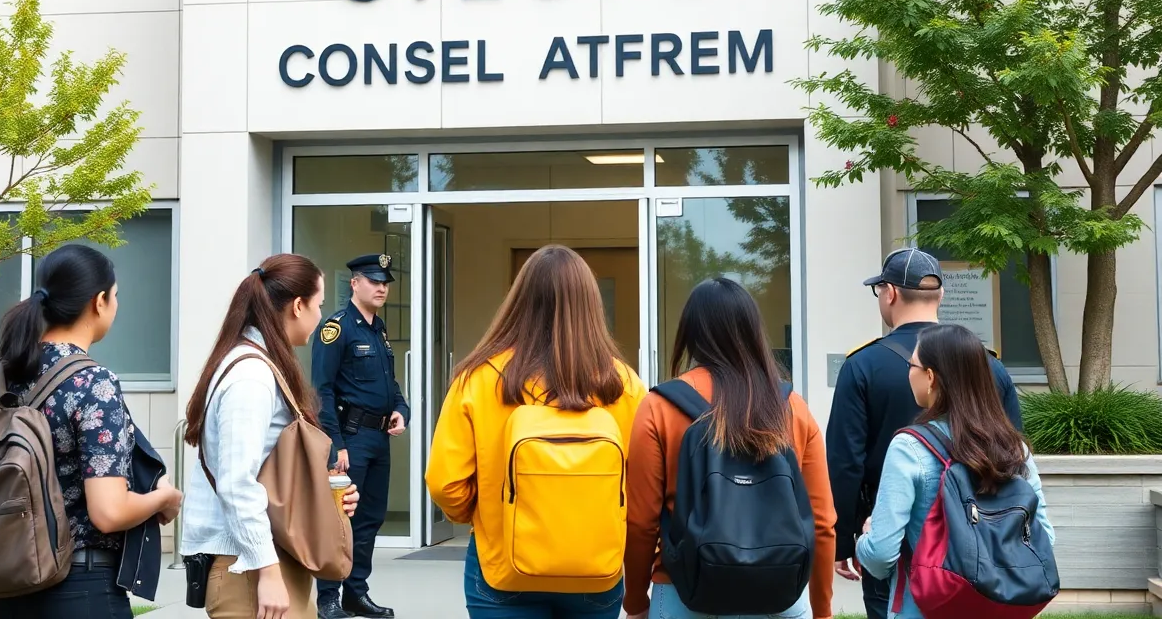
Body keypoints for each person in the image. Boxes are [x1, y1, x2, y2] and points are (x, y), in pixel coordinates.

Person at [425, 244, 647, 619]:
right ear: (591, 304)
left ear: (519, 301)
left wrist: (486, 516)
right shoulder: (622, 383)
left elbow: (444, 484)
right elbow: (642, 487)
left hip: (502, 568)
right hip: (596, 571)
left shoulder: (478, 378)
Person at [0, 244, 183, 619]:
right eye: (116, 296)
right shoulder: (93, 383)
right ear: (99, 302)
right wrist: (165, 500)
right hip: (80, 586)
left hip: (6, 585)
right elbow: (108, 512)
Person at [623, 277, 837, 619]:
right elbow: (822, 523)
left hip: (685, 593)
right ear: (753, 332)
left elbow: (641, 522)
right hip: (778, 596)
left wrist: (635, 601)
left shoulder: (659, 407)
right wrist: (822, 610)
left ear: (690, 334)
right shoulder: (792, 408)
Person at [827, 247, 1023, 619]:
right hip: (984, 533)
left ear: (890, 293)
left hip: (892, 533)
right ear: (942, 295)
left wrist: (843, 540)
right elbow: (1013, 457)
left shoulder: (862, 365)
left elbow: (844, 462)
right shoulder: (990, 365)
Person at [180, 254, 361, 619]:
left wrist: (325, 493)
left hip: (260, 562)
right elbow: (237, 483)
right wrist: (267, 570)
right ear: (298, 306)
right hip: (248, 568)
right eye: (319, 304)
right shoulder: (251, 376)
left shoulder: (257, 364)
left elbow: (270, 470)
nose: (320, 316)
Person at [855, 323, 1055, 619]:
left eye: (912, 365)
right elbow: (1044, 537)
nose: (908, 373)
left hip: (924, 609)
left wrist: (864, 540)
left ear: (931, 377)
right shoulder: (1014, 448)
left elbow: (882, 554)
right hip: (998, 609)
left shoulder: (909, 448)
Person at [312, 253, 410, 619]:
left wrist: (402, 410)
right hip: (349, 438)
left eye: (385, 282)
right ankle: (328, 599)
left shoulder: (378, 328)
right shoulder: (336, 328)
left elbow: (391, 385)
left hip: (378, 436)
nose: (381, 287)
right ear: (354, 283)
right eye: (373, 280)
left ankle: (355, 593)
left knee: (369, 518)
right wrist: (335, 444)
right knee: (339, 519)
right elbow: (322, 390)